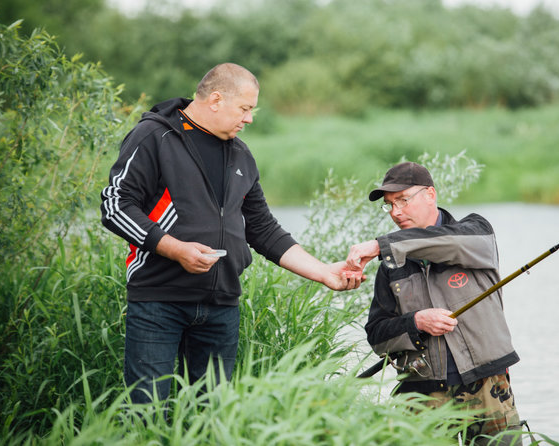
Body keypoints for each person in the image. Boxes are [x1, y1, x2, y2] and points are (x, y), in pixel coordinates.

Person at [100, 63, 361, 404]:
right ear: (216, 99)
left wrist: (325, 272)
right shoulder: (155, 136)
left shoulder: (240, 153)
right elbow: (115, 205)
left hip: (220, 305)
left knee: (213, 419)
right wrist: (175, 249)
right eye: (245, 108)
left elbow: (263, 229)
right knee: (147, 414)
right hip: (158, 300)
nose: (250, 119)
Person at [346, 162, 522, 445]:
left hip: (490, 387)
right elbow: (377, 335)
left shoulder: (475, 234)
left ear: (430, 194)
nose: (395, 212)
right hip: (422, 394)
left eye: (402, 200)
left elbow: (444, 243)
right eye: (389, 205)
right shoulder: (391, 266)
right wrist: (415, 322)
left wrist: (381, 245)